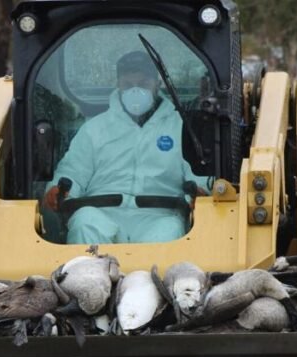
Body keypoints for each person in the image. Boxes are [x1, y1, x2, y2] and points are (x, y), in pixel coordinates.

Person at [43, 50, 209, 245]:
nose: (135, 91)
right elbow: (73, 172)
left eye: (144, 84)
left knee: (170, 230)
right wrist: (58, 190)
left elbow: (197, 174)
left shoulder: (180, 126)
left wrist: (201, 190)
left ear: (158, 83)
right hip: (101, 213)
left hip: (159, 215)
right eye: (128, 85)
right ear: (118, 85)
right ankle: (86, 276)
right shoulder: (95, 129)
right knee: (84, 222)